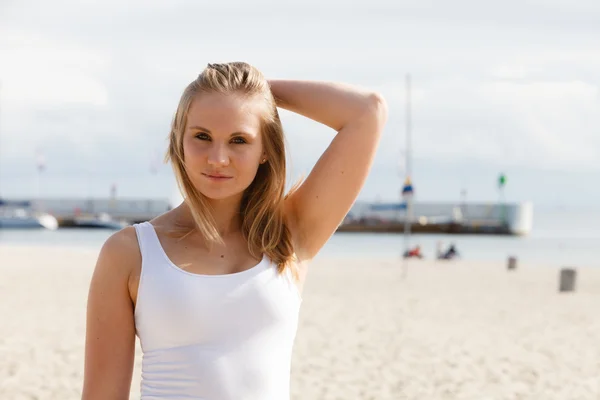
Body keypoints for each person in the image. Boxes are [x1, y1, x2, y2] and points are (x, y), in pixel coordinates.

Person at [81, 62, 388, 399]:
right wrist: (230, 100)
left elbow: (367, 111)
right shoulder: (130, 253)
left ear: (265, 151)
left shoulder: (289, 235)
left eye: (239, 140)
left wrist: (257, 94)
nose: (218, 158)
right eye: (202, 136)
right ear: (178, 141)